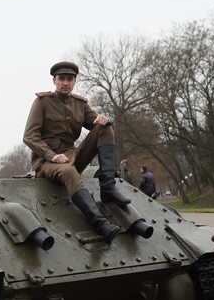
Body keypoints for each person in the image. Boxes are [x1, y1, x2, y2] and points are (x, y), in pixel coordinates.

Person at [24, 61, 140, 243]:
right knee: (69, 172)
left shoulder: (80, 104)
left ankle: (108, 188)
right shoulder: (42, 102)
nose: (65, 83)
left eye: (70, 79)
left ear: (74, 81)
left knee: (106, 127)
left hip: (72, 156)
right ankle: (101, 224)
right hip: (46, 162)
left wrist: (102, 118)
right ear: (54, 80)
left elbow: (96, 124)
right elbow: (29, 136)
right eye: (61, 79)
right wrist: (52, 155)